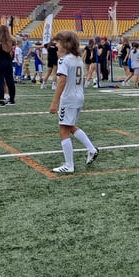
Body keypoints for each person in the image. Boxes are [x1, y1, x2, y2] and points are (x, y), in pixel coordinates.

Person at [49, 30, 99, 174]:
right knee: (70, 126)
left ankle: (69, 165)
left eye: (58, 42)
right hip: (78, 97)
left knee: (64, 130)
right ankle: (91, 149)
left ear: (66, 44)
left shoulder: (64, 60)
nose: (56, 45)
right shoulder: (77, 59)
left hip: (69, 99)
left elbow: (62, 80)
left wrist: (54, 102)